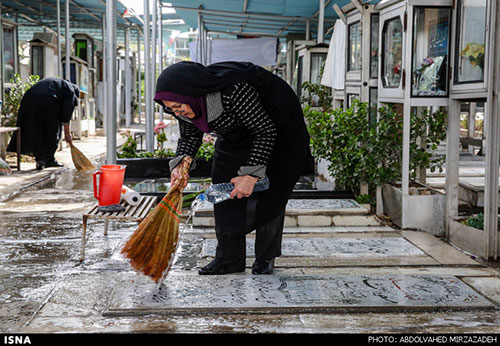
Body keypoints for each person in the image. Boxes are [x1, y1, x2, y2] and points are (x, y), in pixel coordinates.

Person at [154, 61, 314, 275]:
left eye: (178, 106)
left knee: (271, 196)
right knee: (222, 189)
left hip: (278, 134)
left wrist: (250, 174)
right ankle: (229, 258)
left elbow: (265, 132)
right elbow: (190, 135)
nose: (177, 112)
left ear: (192, 93)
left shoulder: (233, 91)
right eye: (171, 109)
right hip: (236, 135)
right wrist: (182, 162)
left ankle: (265, 257)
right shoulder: (184, 104)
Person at [7, 77, 79, 170]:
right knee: (53, 130)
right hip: (48, 99)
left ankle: (40, 160)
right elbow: (66, 115)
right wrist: (67, 134)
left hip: (29, 98)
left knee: (36, 129)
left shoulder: (59, 84)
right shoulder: (71, 91)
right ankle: (49, 160)